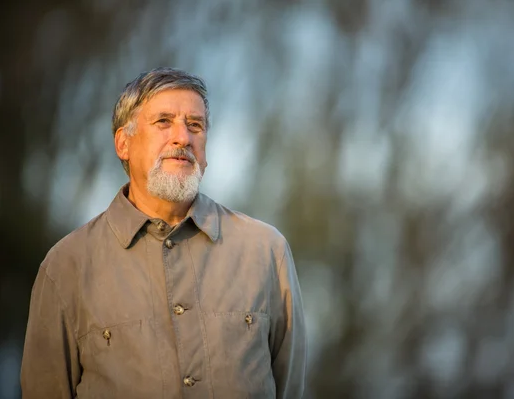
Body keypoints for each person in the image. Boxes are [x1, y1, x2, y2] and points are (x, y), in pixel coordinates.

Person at [21, 67, 307, 399]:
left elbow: (290, 388)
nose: (183, 138)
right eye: (163, 122)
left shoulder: (266, 251)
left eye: (195, 125)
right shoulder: (65, 267)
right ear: (123, 143)